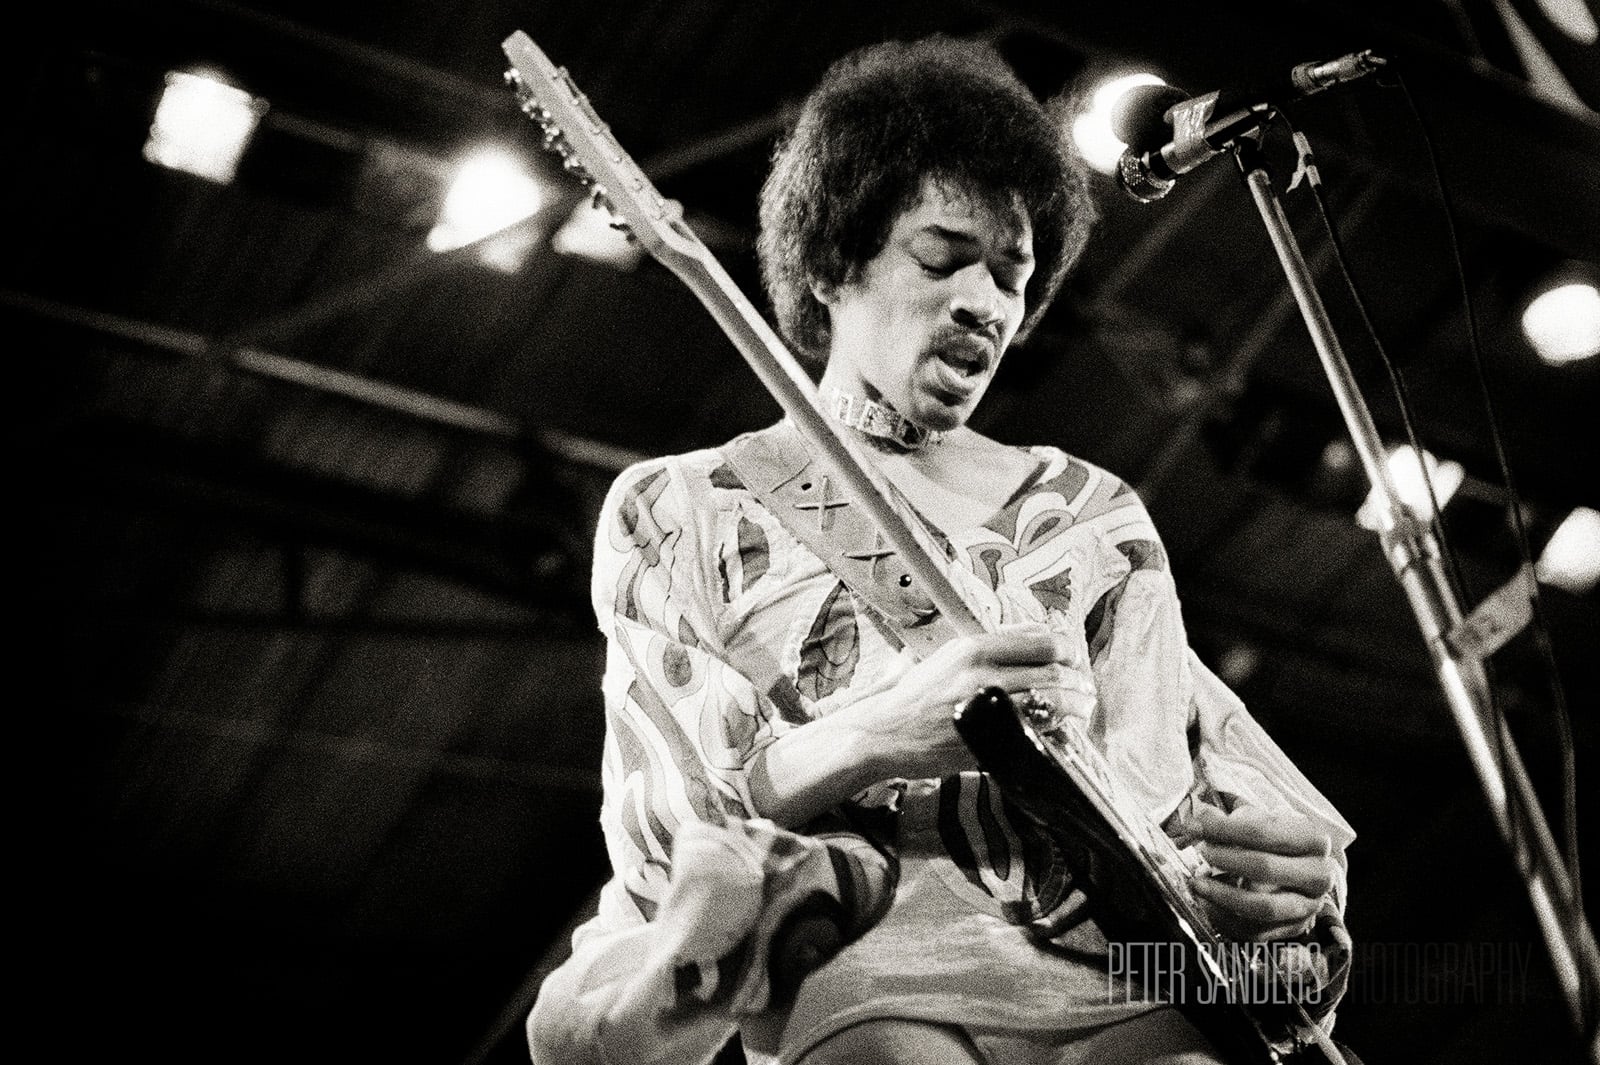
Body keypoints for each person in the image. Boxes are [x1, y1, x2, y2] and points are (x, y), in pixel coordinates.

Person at [526, 34, 1356, 1065]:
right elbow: (671, 830)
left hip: (1122, 988)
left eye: (1013, 275)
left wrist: (1274, 889)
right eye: (943, 256)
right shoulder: (680, 507)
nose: (987, 304)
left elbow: (1165, 801)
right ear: (834, 261)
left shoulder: (1085, 515)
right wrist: (883, 730)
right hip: (875, 982)